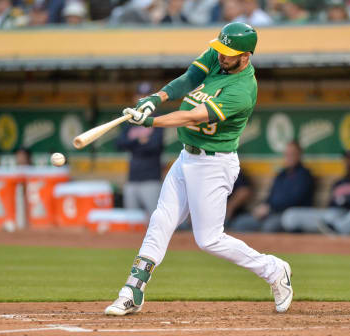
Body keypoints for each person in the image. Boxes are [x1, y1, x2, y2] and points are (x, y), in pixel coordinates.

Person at [105, 22, 293, 316]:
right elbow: (189, 78)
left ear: (246, 55)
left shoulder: (242, 90)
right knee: (161, 220)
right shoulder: (217, 55)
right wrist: (156, 99)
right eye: (221, 49)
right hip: (187, 157)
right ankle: (132, 290)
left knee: (209, 240)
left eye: (229, 53)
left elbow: (192, 117)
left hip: (214, 164)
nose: (221, 56)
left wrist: (150, 122)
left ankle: (273, 269)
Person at [282, 151, 350, 236]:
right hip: (330, 214)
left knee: (332, 216)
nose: (349, 162)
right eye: (347, 159)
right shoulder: (339, 182)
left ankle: (334, 229)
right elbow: (330, 203)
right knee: (290, 215)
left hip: (347, 216)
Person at [230, 141, 314, 232]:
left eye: (292, 154)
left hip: (288, 215)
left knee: (269, 226)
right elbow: (271, 196)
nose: (289, 157)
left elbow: (294, 200)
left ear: (299, 155)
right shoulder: (281, 174)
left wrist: (270, 208)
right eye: (287, 154)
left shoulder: (304, 175)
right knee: (240, 223)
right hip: (270, 212)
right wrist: (262, 206)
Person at [116, 82, 164, 217]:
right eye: (140, 95)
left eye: (147, 96)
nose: (143, 98)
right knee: (131, 221)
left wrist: (133, 144)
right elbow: (119, 143)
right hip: (132, 179)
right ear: (135, 98)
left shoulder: (158, 119)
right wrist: (139, 141)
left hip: (151, 179)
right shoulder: (131, 120)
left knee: (155, 218)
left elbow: (155, 146)